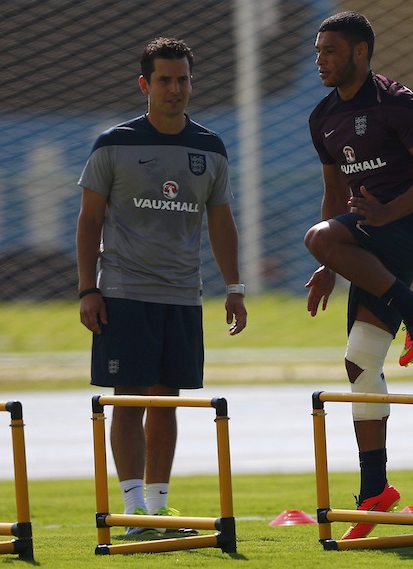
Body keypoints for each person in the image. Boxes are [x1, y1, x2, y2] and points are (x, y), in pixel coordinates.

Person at [76, 37, 247, 536]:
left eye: (183, 79)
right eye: (165, 80)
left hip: (182, 294)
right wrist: (89, 288)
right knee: (128, 398)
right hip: (124, 292)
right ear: (144, 84)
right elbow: (88, 221)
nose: (176, 89)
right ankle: (132, 512)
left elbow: (222, 222)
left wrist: (233, 286)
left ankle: (158, 509)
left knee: (166, 399)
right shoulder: (114, 144)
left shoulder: (210, 147)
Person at [303, 12, 413, 540]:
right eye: (318, 50)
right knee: (361, 361)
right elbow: (331, 197)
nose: (321, 59)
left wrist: (383, 217)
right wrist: (329, 262)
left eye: (331, 51)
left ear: (361, 53)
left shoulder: (396, 101)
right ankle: (376, 493)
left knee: (317, 235)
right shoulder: (322, 116)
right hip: (370, 238)